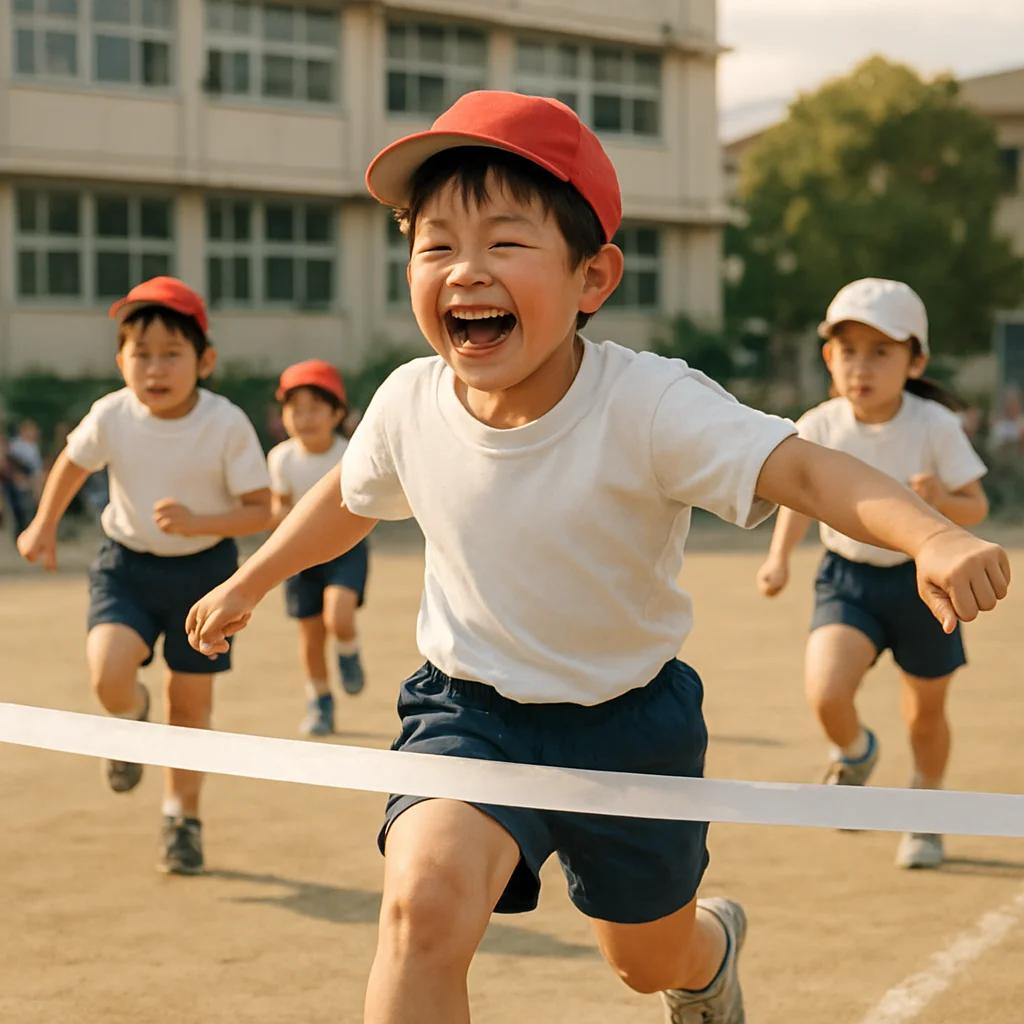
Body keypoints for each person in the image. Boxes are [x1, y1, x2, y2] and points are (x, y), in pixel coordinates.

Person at [185, 95, 1010, 1023]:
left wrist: (931, 535)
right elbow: (348, 497)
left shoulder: (650, 404)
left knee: (649, 959)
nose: (465, 269)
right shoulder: (410, 400)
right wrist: (251, 577)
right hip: (470, 714)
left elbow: (809, 472)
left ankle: (709, 955)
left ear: (593, 276)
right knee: (421, 915)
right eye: (435, 243)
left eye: (504, 242)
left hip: (630, 728)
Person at [17, 276, 272, 875]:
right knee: (107, 675)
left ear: (204, 360)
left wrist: (197, 522)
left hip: (205, 577)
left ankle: (181, 818)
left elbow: (264, 510)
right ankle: (129, 719)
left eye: (171, 354)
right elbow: (72, 466)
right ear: (121, 361)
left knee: (189, 709)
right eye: (141, 354)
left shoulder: (226, 422)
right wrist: (44, 525)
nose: (155, 369)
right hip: (125, 568)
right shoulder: (112, 414)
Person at [757, 278, 990, 871]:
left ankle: (925, 814)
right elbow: (799, 497)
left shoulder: (934, 424)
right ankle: (855, 753)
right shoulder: (818, 424)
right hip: (848, 579)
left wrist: (940, 500)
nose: (861, 366)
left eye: (881, 352)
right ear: (829, 358)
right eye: (848, 351)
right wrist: (779, 557)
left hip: (922, 585)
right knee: (827, 690)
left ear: (916, 361)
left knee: (925, 713)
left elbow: (976, 507)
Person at [267, 359, 370, 736]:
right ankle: (320, 701)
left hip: (346, 549)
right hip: (298, 556)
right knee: (310, 636)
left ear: (336, 413)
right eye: (295, 409)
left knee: (338, 616)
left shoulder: (351, 453)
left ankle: (348, 651)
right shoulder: (281, 458)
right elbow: (279, 507)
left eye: (315, 409)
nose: (305, 418)